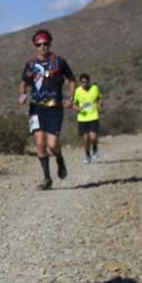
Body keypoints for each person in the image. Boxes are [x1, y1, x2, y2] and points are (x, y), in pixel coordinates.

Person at [18, 29, 76, 189]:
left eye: (45, 43)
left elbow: (72, 80)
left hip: (54, 109)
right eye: (39, 44)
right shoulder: (31, 65)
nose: (42, 47)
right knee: (40, 143)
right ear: (35, 45)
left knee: (52, 144)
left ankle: (59, 158)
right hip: (36, 108)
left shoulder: (59, 62)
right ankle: (47, 179)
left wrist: (71, 99)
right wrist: (22, 95)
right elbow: (23, 83)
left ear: (50, 44)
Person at [71, 73, 102, 164]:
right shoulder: (77, 91)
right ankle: (87, 156)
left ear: (89, 82)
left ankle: (95, 148)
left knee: (93, 136)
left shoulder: (95, 88)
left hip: (93, 116)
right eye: (83, 82)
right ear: (80, 83)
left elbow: (99, 98)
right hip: (82, 118)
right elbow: (73, 104)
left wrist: (100, 103)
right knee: (85, 139)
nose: (85, 84)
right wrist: (78, 108)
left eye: (86, 82)